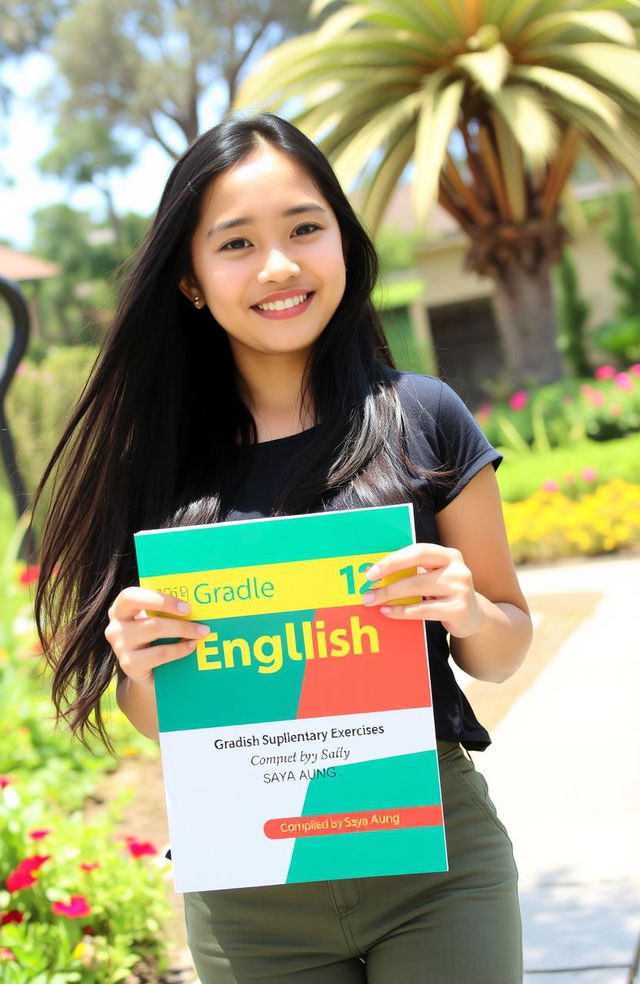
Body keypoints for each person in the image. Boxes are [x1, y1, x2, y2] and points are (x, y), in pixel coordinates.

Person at [34, 113, 532, 984]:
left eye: (306, 227)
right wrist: (142, 666)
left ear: (343, 238)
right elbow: (154, 718)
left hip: (434, 867)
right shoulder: (156, 462)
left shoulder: (424, 417)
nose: (279, 266)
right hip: (248, 893)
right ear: (189, 280)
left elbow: (503, 647)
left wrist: (469, 607)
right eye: (236, 243)